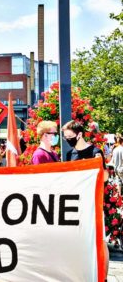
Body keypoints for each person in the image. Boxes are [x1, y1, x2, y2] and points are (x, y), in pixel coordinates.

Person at [61, 120, 110, 282]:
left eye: (70, 136)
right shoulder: (69, 155)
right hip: (76, 204)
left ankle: (103, 277)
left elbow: (105, 177)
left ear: (79, 134)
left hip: (93, 203)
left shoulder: (95, 151)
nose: (67, 140)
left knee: (100, 241)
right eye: (65, 137)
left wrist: (95, 166)